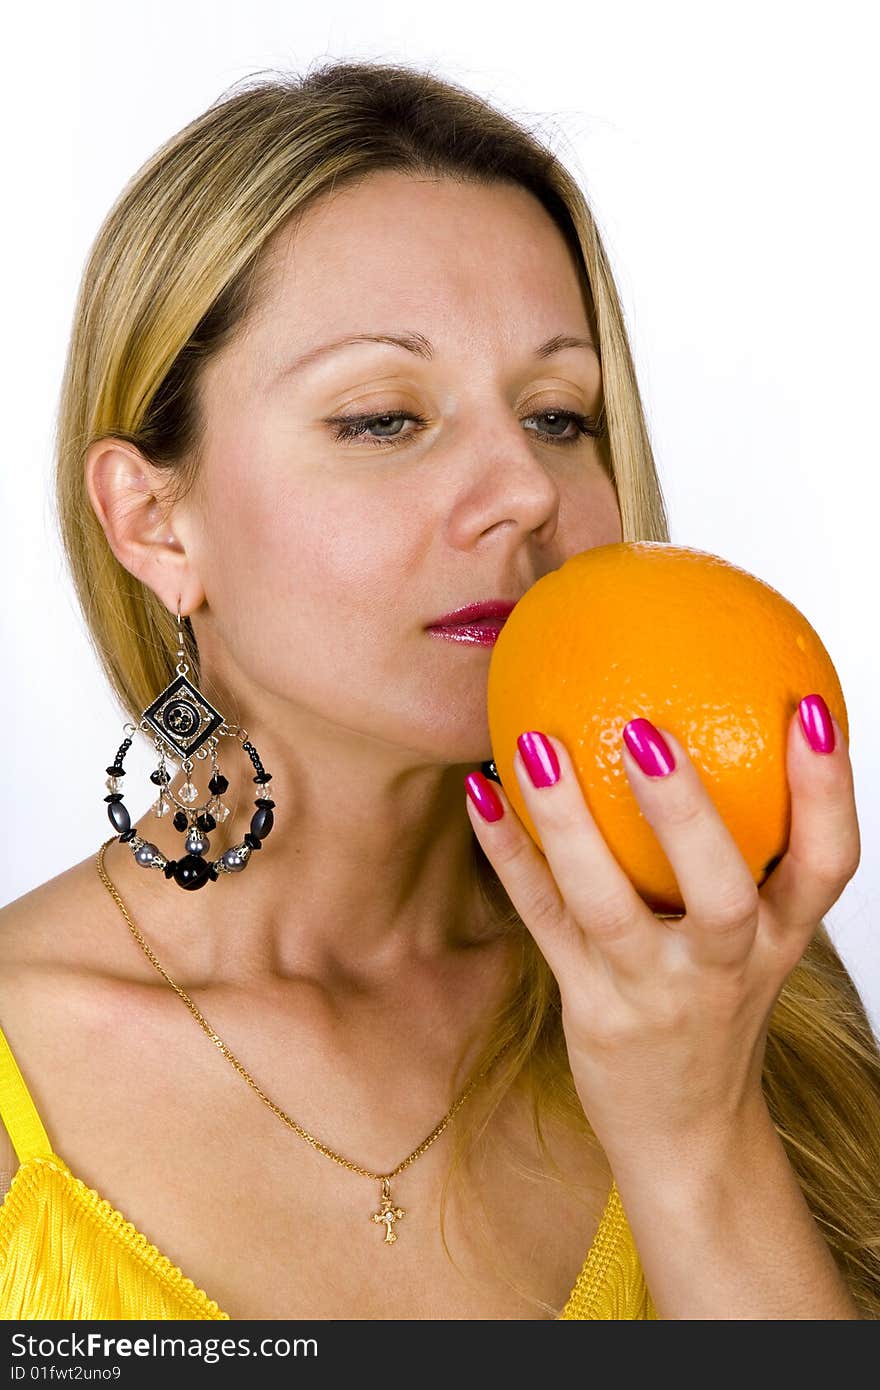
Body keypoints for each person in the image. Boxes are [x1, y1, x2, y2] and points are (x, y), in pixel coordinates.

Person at [0, 59, 878, 1323]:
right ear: (153, 519)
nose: (526, 491)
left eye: (561, 416)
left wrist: (695, 1134)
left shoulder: (728, 990)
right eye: (383, 418)